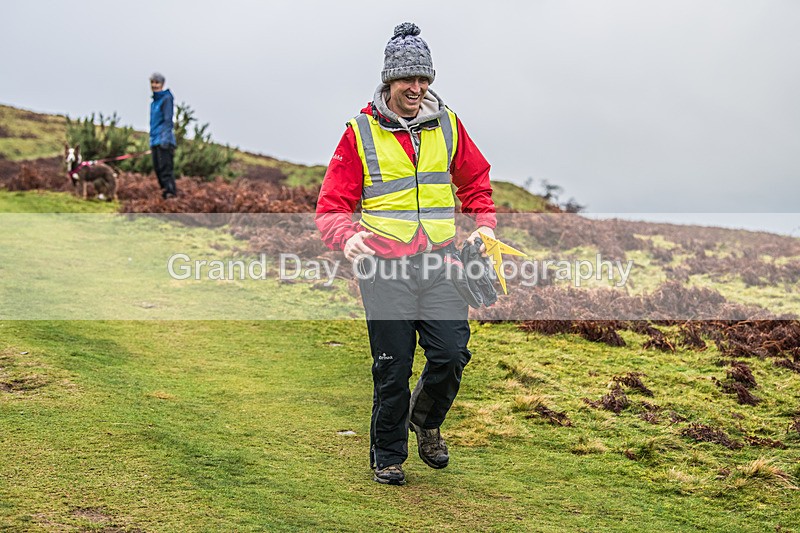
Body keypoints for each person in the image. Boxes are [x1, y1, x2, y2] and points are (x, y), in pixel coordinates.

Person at [315, 22, 496, 486]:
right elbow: (332, 204)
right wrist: (345, 235)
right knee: (393, 367)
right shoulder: (359, 132)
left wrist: (484, 224)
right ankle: (387, 455)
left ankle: (426, 420)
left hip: (440, 263)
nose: (416, 88)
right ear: (388, 82)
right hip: (383, 268)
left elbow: (475, 182)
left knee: (451, 354)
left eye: (424, 80)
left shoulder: (450, 124)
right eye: (407, 80)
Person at [149, 72, 178, 199]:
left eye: (157, 82)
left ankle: (170, 196)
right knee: (158, 171)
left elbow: (167, 120)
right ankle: (164, 196)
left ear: (162, 84)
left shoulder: (166, 98)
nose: (154, 85)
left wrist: (164, 140)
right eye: (152, 82)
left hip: (164, 141)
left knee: (166, 171)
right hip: (155, 141)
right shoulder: (154, 102)